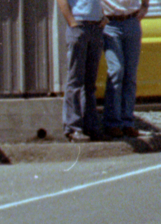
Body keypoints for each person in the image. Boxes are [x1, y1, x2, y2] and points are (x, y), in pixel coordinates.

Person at [58, 0, 105, 141]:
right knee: (75, 80)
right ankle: (73, 128)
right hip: (79, 24)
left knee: (90, 82)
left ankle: (91, 126)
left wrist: (104, 17)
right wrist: (72, 22)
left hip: (96, 26)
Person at [103, 0, 148, 138]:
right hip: (110, 23)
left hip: (131, 20)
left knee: (130, 74)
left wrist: (145, 6)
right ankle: (112, 122)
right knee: (116, 71)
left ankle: (127, 122)